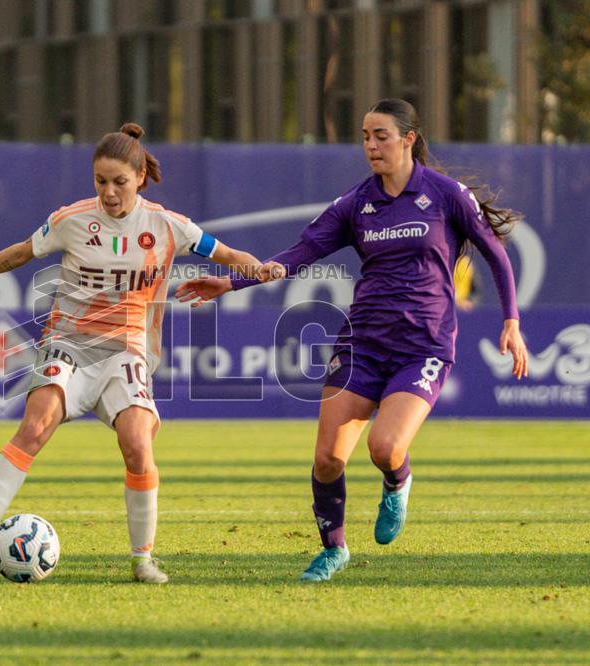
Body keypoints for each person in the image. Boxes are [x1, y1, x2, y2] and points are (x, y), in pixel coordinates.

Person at [176, 99, 529, 582]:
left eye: (380, 135)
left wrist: (510, 319)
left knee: (384, 448)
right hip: (362, 341)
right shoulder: (356, 203)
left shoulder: (447, 195)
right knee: (327, 458)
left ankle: (397, 482)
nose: (370, 145)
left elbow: (495, 252)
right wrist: (235, 282)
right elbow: (301, 252)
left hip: (423, 346)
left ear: (408, 139)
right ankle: (334, 549)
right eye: (365, 136)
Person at [0, 123, 273, 583]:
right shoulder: (72, 220)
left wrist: (262, 270)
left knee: (137, 444)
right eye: (100, 181)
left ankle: (142, 559)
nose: (109, 193)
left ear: (140, 179)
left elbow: (227, 254)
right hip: (67, 343)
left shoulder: (168, 226)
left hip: (126, 353)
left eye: (119, 182)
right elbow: (19, 254)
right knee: (34, 426)